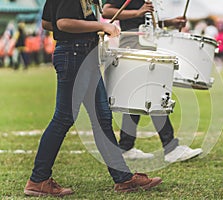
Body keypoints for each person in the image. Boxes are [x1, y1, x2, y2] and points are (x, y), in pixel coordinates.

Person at [24, 0, 162, 197]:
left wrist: (88, 28)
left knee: (102, 118)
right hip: (74, 54)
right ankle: (38, 180)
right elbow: (62, 23)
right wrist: (101, 25)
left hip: (84, 53)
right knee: (64, 117)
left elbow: (48, 22)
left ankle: (123, 179)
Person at [102, 0, 203, 163]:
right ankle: (170, 147)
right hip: (134, 44)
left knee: (139, 96)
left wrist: (169, 23)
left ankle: (126, 147)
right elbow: (107, 12)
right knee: (154, 93)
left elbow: (145, 21)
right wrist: (137, 12)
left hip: (147, 43)